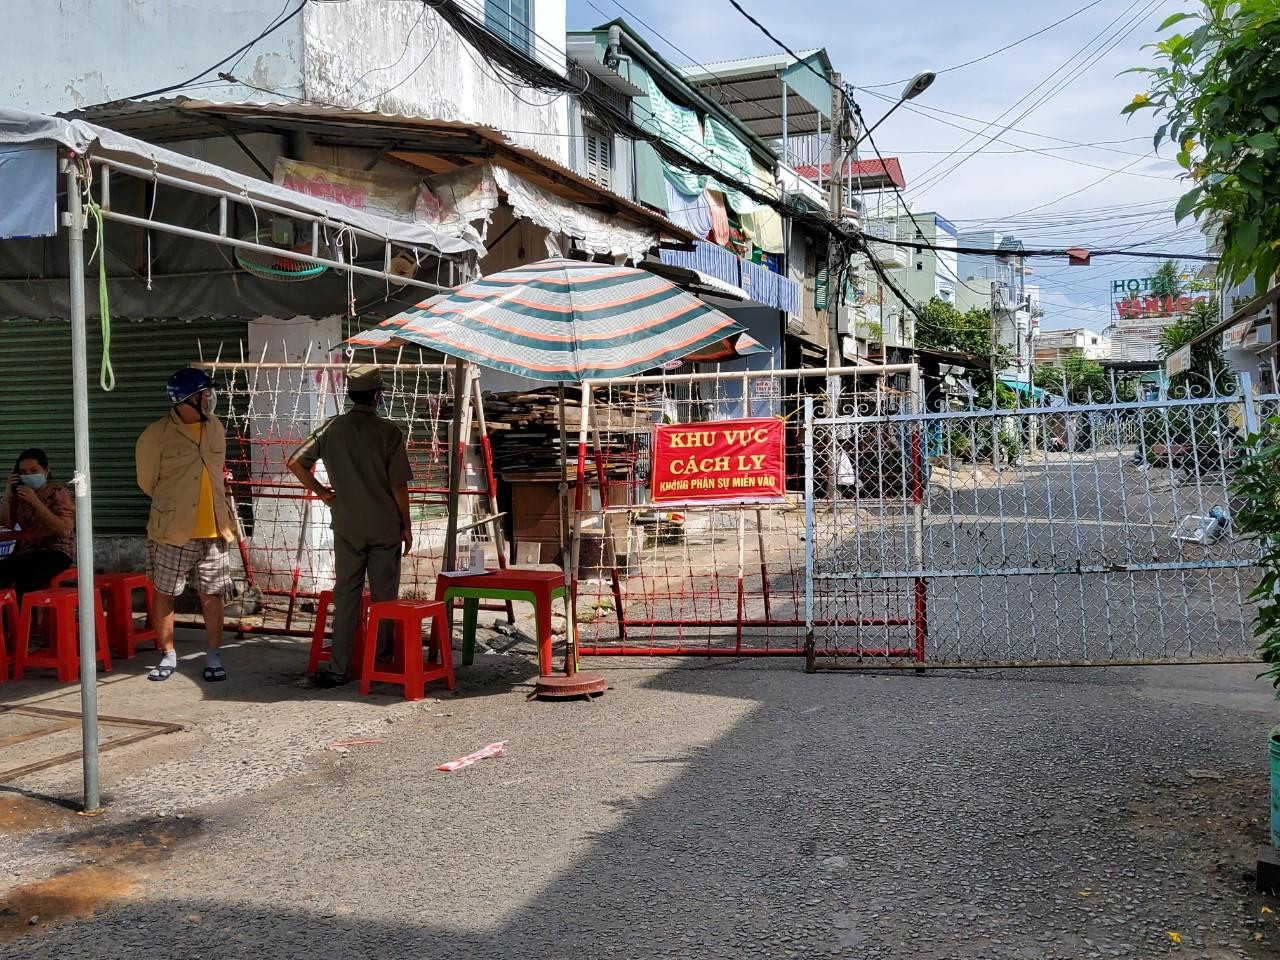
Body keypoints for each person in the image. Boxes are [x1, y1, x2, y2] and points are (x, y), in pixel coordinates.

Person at [288, 365, 413, 689]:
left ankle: (338, 668)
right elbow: (398, 485)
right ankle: (380, 663)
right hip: (384, 525)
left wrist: (323, 493)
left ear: (350, 395)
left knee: (346, 595)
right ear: (377, 395)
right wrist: (407, 524)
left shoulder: (331, 427)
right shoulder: (389, 432)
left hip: (346, 523)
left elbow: (295, 462)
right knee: (385, 597)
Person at [136, 368, 236, 683]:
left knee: (213, 595)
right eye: (203, 395)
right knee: (166, 593)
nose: (209, 399)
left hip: (215, 529)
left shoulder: (216, 427)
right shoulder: (155, 435)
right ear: (184, 400)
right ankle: (168, 654)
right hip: (173, 531)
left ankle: (214, 654)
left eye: (209, 394)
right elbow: (147, 483)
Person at [0, 449, 75, 597]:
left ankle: (29, 611)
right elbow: (6, 523)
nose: (28, 475)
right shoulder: (20, 494)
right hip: (26, 551)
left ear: (46, 471)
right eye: (23, 472)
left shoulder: (58, 493)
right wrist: (7, 494)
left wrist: (35, 502)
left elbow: (65, 530)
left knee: (26, 577)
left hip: (55, 552)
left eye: (33, 471)